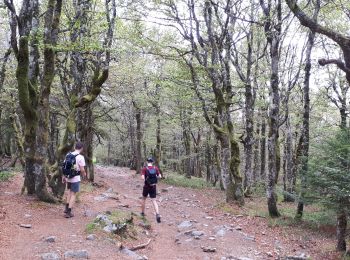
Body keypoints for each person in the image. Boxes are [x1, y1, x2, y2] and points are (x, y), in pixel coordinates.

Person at [63, 141, 86, 218]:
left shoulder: (68, 155)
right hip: (75, 178)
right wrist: (84, 174)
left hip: (68, 177)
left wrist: (64, 176)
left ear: (74, 147)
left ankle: (66, 208)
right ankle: (69, 212)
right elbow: (82, 169)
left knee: (69, 192)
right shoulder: (80, 157)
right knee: (73, 194)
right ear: (81, 148)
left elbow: (64, 166)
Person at [141, 157, 162, 223]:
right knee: (154, 200)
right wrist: (155, 179)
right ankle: (157, 214)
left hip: (146, 186)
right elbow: (160, 176)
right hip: (153, 186)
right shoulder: (155, 168)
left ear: (147, 162)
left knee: (144, 199)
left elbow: (142, 178)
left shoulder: (144, 169)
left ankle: (142, 213)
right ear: (152, 162)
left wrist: (146, 179)